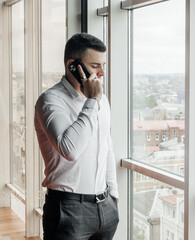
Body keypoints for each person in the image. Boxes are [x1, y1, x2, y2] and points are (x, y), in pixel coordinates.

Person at [34, 33, 119, 240]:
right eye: (95, 66)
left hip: (105, 206)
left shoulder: (102, 100)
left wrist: (113, 196)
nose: (102, 73)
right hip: (68, 208)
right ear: (73, 65)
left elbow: (106, 147)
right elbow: (69, 149)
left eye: (103, 65)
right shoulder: (50, 101)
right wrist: (92, 101)